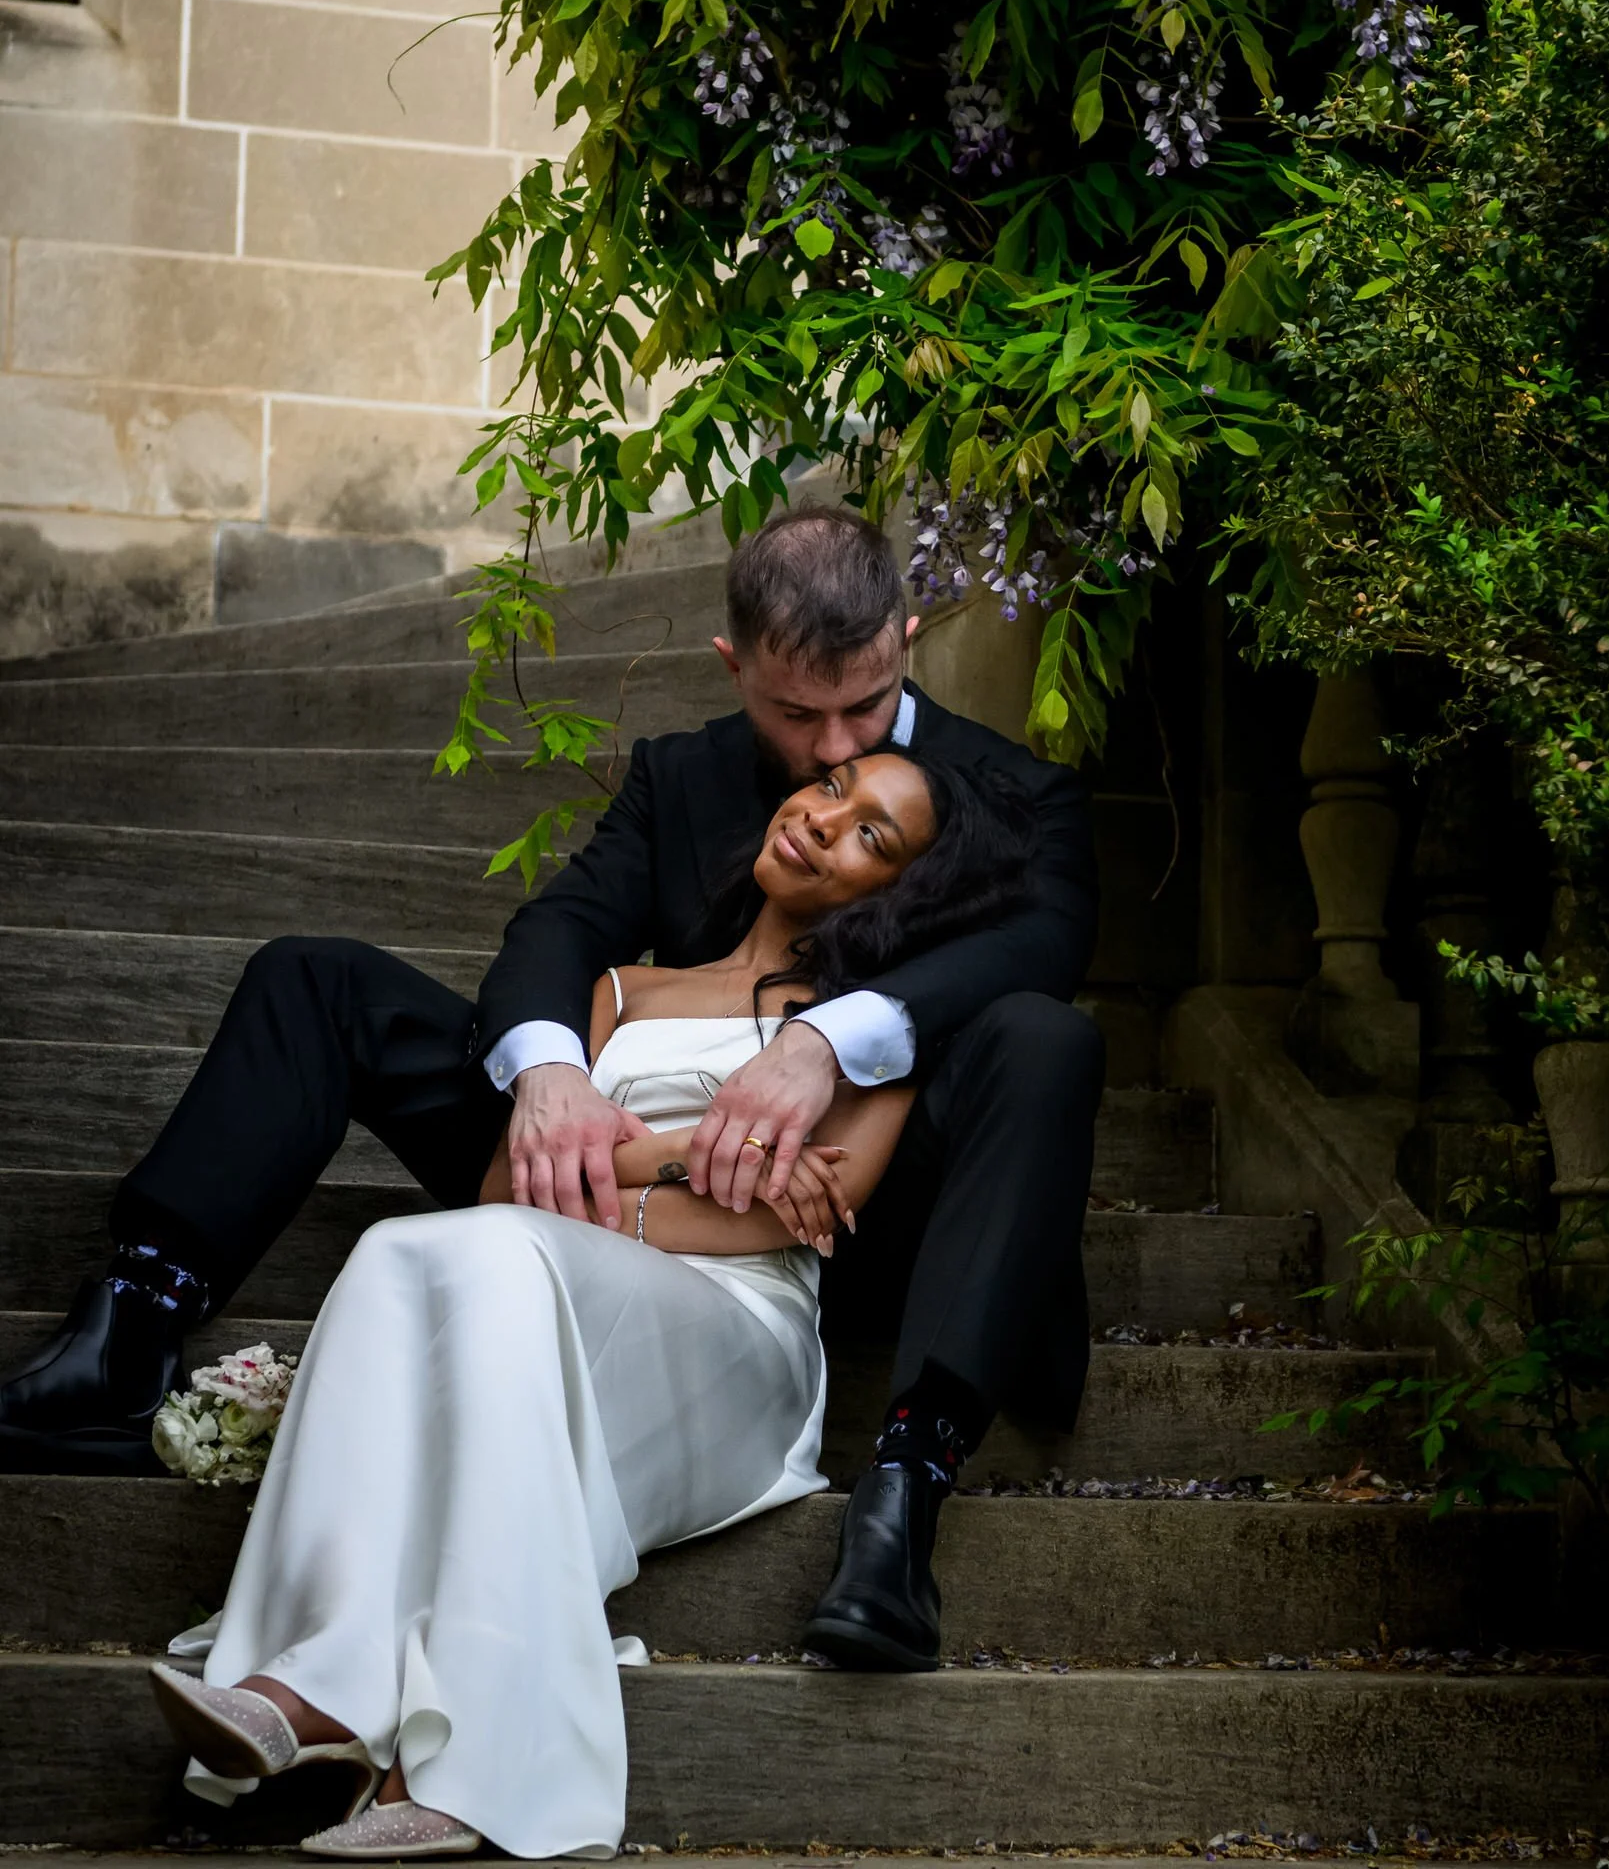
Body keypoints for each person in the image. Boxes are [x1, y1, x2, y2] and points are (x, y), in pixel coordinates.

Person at [0, 505, 1102, 1671]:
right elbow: (562, 927)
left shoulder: (1019, 793)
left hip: (851, 1210)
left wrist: (827, 1043)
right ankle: (133, 1332)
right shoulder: (680, 777)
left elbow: (1039, 948)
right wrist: (551, 1077)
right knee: (313, 981)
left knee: (1044, 1037)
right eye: (795, 713)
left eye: (864, 708)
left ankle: (905, 1489)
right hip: (596, 1174)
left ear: (908, 639)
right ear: (733, 667)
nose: (832, 753)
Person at [148, 751, 1033, 1860]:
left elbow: (811, 1213)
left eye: (872, 835)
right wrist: (683, 1152)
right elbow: (493, 1188)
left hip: (733, 1340)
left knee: (506, 1256)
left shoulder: (861, 1029)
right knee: (396, 1249)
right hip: (541, 1277)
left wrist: (600, 1192)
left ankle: (459, 1756)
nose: (823, 817)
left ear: (896, 890)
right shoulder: (620, 992)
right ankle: (308, 1682)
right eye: (834, 786)